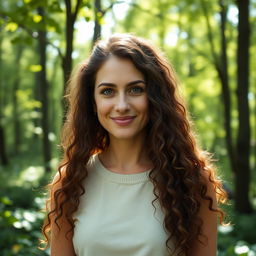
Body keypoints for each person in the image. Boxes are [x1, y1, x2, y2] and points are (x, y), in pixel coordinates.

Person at [41, 34, 227, 256]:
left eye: (135, 89)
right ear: (93, 102)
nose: (121, 105)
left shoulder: (193, 180)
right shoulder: (69, 182)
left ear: (156, 97)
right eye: (107, 91)